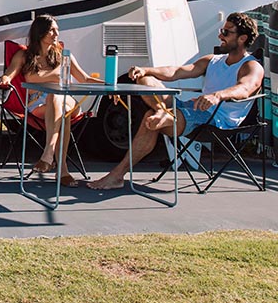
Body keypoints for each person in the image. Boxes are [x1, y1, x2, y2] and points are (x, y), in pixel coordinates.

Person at [87, 12, 264, 191]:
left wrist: (217, 95)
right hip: (192, 108)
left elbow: (245, 88)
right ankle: (161, 111)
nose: (220, 35)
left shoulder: (251, 66)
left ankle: (117, 175)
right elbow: (177, 71)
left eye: (226, 32)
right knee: (145, 80)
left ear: (242, 38)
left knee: (151, 119)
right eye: (221, 30)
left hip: (217, 120)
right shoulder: (213, 60)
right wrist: (145, 70)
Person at [0, 14, 100, 186]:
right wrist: (5, 79)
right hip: (38, 104)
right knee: (62, 113)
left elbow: (84, 79)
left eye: (57, 30)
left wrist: (110, 86)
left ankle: (48, 154)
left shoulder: (63, 55)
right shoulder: (24, 55)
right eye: (52, 30)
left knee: (56, 96)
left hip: (68, 101)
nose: (56, 34)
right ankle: (63, 171)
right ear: (39, 33)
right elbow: (10, 73)